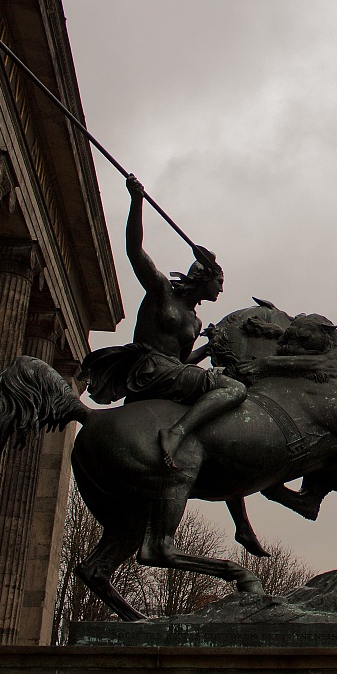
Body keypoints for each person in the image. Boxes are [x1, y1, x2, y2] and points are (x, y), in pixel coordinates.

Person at [79, 175, 246, 469]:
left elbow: (181, 363)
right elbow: (134, 251)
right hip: (148, 367)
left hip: (168, 373)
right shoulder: (161, 291)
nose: (221, 289)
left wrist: (206, 351)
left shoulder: (195, 322)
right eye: (219, 281)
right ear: (204, 277)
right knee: (234, 390)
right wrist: (136, 202)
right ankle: (177, 431)